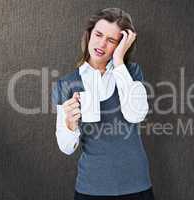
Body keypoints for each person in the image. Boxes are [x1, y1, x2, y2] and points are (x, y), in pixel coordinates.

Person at [51, 7, 155, 200]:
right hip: (92, 187)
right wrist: (70, 124)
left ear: (121, 45)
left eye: (112, 40)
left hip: (136, 184)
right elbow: (66, 148)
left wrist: (118, 62)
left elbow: (136, 115)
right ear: (89, 35)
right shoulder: (65, 84)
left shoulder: (131, 73)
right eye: (98, 35)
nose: (101, 44)